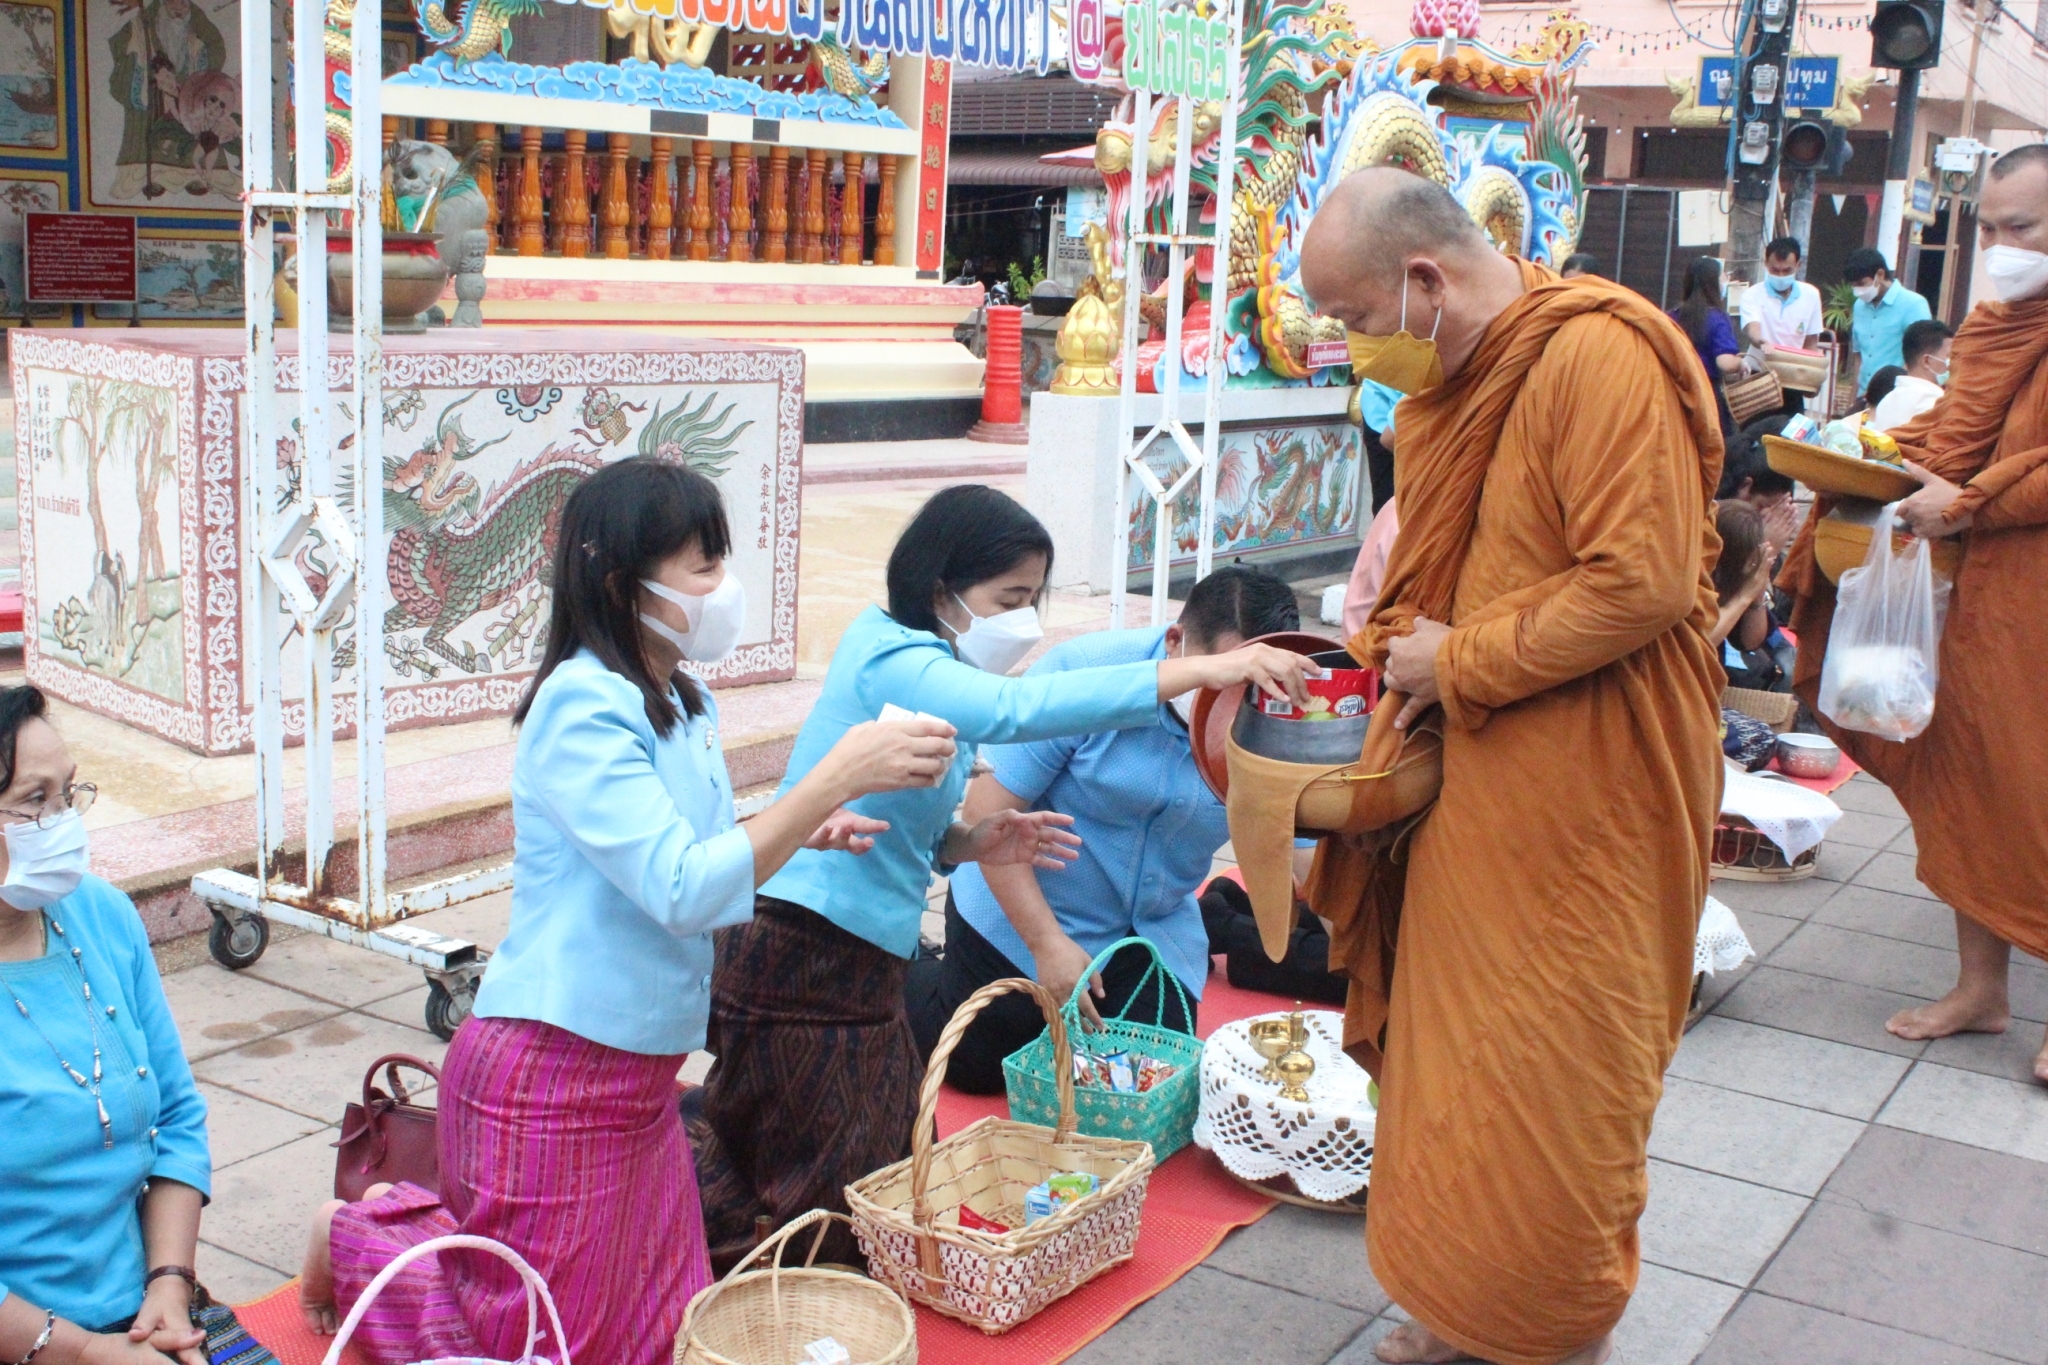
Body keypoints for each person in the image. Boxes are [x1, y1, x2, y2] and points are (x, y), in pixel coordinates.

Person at [302, 460, 959, 1364]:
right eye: (703, 566)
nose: (722, 587)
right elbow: (681, 887)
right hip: (550, 1075)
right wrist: (831, 778)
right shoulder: (579, 706)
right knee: (542, 1342)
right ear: (622, 584)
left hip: (640, 1085)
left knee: (662, 1332)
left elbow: (682, 842)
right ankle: (362, 1233)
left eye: (721, 561)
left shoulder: (682, 697)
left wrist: (800, 826)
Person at [1299, 168, 1723, 1365]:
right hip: (1473, 780)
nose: (1350, 346)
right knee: (1453, 1060)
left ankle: (1547, 1330)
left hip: (1592, 787)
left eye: (1352, 318)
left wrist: (1459, 659)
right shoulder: (1460, 375)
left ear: (1423, 281)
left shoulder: (1593, 357)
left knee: (1554, 1067)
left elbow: (1640, 581)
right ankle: (1461, 1304)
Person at [685, 484, 1313, 1268]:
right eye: (1009, 599)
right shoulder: (892, 653)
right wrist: (1208, 671)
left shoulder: (943, 670)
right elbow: (1018, 710)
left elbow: (917, 829)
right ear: (941, 590)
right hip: (802, 943)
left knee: (896, 1157)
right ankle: (710, 1243)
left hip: (868, 954)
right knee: (826, 1190)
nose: (1025, 621)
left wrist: (974, 839)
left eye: (1031, 599)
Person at [1782, 143, 2048, 1083]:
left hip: (2033, 596)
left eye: (2024, 228)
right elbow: (1958, 434)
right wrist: (1871, 452)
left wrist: (1967, 503)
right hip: (1977, 599)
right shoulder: (1996, 324)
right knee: (1970, 780)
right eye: (1991, 228)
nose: (2002, 247)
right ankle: (1981, 990)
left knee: (2036, 788)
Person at [905, 565, 1303, 1093]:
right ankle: (905, 964)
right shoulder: (1085, 673)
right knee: (977, 1066)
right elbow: (985, 816)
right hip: (1024, 912)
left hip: (1151, 936)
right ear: (1176, 642)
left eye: (1252, 689)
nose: (1234, 705)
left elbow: (1305, 852)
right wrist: (1048, 944)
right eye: (1223, 680)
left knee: (1142, 1081)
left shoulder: (1281, 715)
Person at [0, 685, 213, 1365]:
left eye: (68, 793)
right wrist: (89, 1352)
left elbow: (176, 1116)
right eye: (35, 800)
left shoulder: (101, 917)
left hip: (145, 1310)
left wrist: (169, 1285)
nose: (64, 821)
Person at [1709, 500, 1784, 690]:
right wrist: (1743, 596)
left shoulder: (1739, 580)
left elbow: (1750, 641)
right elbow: (1700, 643)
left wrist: (1758, 586)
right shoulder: (1693, 579)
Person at [1843, 245, 1933, 391]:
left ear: (1880, 275)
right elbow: (1858, 356)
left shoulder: (1913, 304)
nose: (1858, 290)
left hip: (1898, 394)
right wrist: (1855, 396)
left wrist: (1890, 389)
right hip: (1864, 396)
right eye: (1853, 285)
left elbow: (1920, 355)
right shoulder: (1859, 306)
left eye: (1862, 284)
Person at [1671, 256, 1743, 435]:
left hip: (1674, 391)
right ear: (1713, 283)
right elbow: (1725, 362)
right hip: (1707, 393)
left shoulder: (1672, 316)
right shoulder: (1717, 318)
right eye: (1723, 276)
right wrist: (1740, 362)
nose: (1725, 280)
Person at [1737, 236, 1826, 353]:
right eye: (1775, 270)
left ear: (1798, 265)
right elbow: (1753, 328)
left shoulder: (1811, 295)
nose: (1781, 276)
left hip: (1792, 363)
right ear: (1766, 264)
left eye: (1787, 271)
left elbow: (1810, 343)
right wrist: (1761, 341)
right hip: (1760, 363)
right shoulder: (1751, 294)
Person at [1871, 318, 1955, 432]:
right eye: (1949, 356)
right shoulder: (1934, 403)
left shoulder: (1887, 400)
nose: (1953, 362)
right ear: (1926, 361)